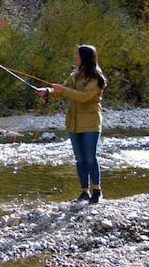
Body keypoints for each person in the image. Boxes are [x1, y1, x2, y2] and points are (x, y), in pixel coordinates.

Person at [36, 45, 107, 204]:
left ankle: (97, 190)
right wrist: (47, 91)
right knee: (80, 159)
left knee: (90, 157)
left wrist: (63, 90)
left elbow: (84, 97)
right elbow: (62, 91)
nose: (75, 57)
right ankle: (84, 191)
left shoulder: (96, 77)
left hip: (90, 123)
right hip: (73, 122)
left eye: (77, 55)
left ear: (85, 58)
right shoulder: (75, 74)